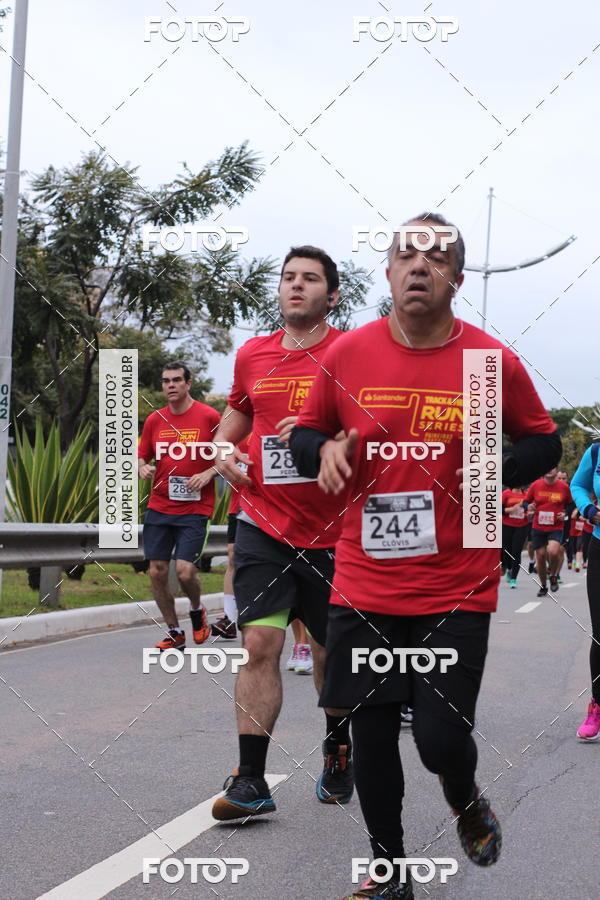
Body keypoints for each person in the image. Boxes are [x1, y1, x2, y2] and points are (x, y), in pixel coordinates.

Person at [290, 213, 560, 899]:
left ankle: (465, 797)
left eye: (435, 259)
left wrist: (499, 463)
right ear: (386, 273)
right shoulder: (350, 354)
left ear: (456, 279)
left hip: (456, 583)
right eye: (405, 256)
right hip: (362, 578)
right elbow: (308, 429)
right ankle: (390, 870)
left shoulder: (485, 362)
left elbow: (543, 442)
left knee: (439, 741)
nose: (418, 267)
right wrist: (320, 449)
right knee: (374, 735)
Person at [210, 246, 354, 822]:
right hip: (263, 523)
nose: (296, 286)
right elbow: (240, 412)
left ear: (332, 294)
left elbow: (375, 427)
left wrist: (327, 434)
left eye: (311, 279)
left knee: (329, 653)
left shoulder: (351, 353)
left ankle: (338, 748)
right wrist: (222, 445)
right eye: (289, 277)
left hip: (337, 533)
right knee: (260, 645)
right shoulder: (253, 354)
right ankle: (250, 781)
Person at [138, 361, 220, 650]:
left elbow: (226, 454)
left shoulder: (209, 417)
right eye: (165, 381)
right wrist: (142, 468)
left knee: (185, 571)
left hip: (195, 509)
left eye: (175, 380)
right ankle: (174, 631)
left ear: (188, 383)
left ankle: (197, 611)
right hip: (160, 507)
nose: (170, 385)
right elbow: (142, 456)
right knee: (157, 571)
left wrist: (208, 473)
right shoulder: (154, 420)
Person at [570, 442, 600, 740]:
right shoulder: (596, 451)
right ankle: (597, 705)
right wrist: (589, 509)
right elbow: (578, 484)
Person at [211, 435, 251, 640]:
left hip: (267, 508)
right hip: (238, 506)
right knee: (232, 557)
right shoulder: (234, 435)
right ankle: (229, 619)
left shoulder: (268, 427)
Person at [523, 469, 572, 596]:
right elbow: (525, 501)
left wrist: (565, 513)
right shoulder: (536, 485)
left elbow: (571, 504)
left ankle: (554, 575)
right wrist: (528, 507)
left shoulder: (564, 487)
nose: (549, 471)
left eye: (552, 468)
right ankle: (543, 586)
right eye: (547, 468)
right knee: (540, 556)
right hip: (538, 526)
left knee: (553, 551)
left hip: (556, 526)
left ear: (556, 470)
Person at [501, 486, 529, 587]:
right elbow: (499, 509)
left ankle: (513, 578)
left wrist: (529, 513)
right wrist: (512, 509)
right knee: (506, 551)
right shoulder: (506, 493)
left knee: (516, 552)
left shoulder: (526, 495)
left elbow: (530, 508)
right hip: (507, 525)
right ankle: (509, 568)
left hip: (521, 527)